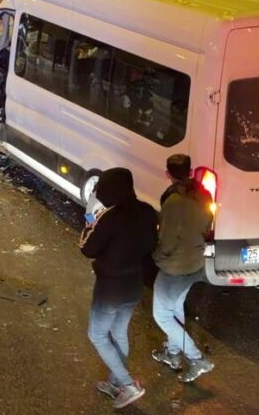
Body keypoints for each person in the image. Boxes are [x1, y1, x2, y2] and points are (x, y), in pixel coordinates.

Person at [79, 168, 159, 409]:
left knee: (98, 335)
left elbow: (87, 248)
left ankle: (127, 384)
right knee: (119, 332)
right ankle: (115, 384)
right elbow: (150, 245)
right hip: (134, 285)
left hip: (110, 289)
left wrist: (89, 219)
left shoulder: (109, 217)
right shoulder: (147, 212)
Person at [151, 154, 216, 383]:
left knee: (162, 316)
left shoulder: (173, 202)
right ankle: (172, 354)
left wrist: (157, 257)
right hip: (195, 264)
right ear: (189, 172)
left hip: (174, 268)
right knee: (175, 308)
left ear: (168, 173)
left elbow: (167, 240)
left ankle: (197, 359)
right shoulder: (203, 195)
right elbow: (208, 226)